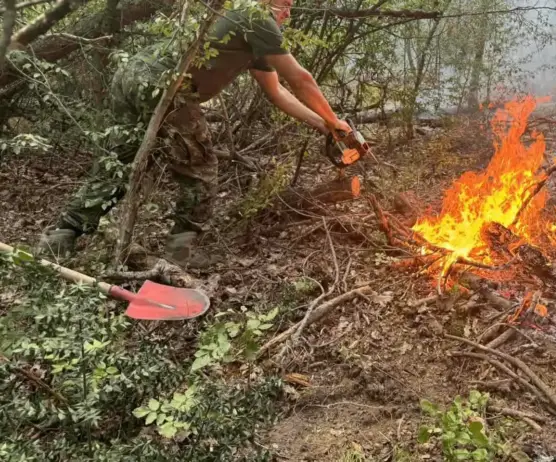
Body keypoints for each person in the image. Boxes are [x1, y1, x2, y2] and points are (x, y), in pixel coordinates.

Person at [37, 0, 353, 267]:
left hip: (132, 74)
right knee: (200, 168)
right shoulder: (256, 17)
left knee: (122, 161)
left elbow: (278, 93)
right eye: (285, 3)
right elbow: (301, 79)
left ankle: (63, 235)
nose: (288, 12)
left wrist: (326, 125)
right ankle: (178, 257)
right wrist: (335, 117)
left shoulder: (243, 21)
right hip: (164, 85)